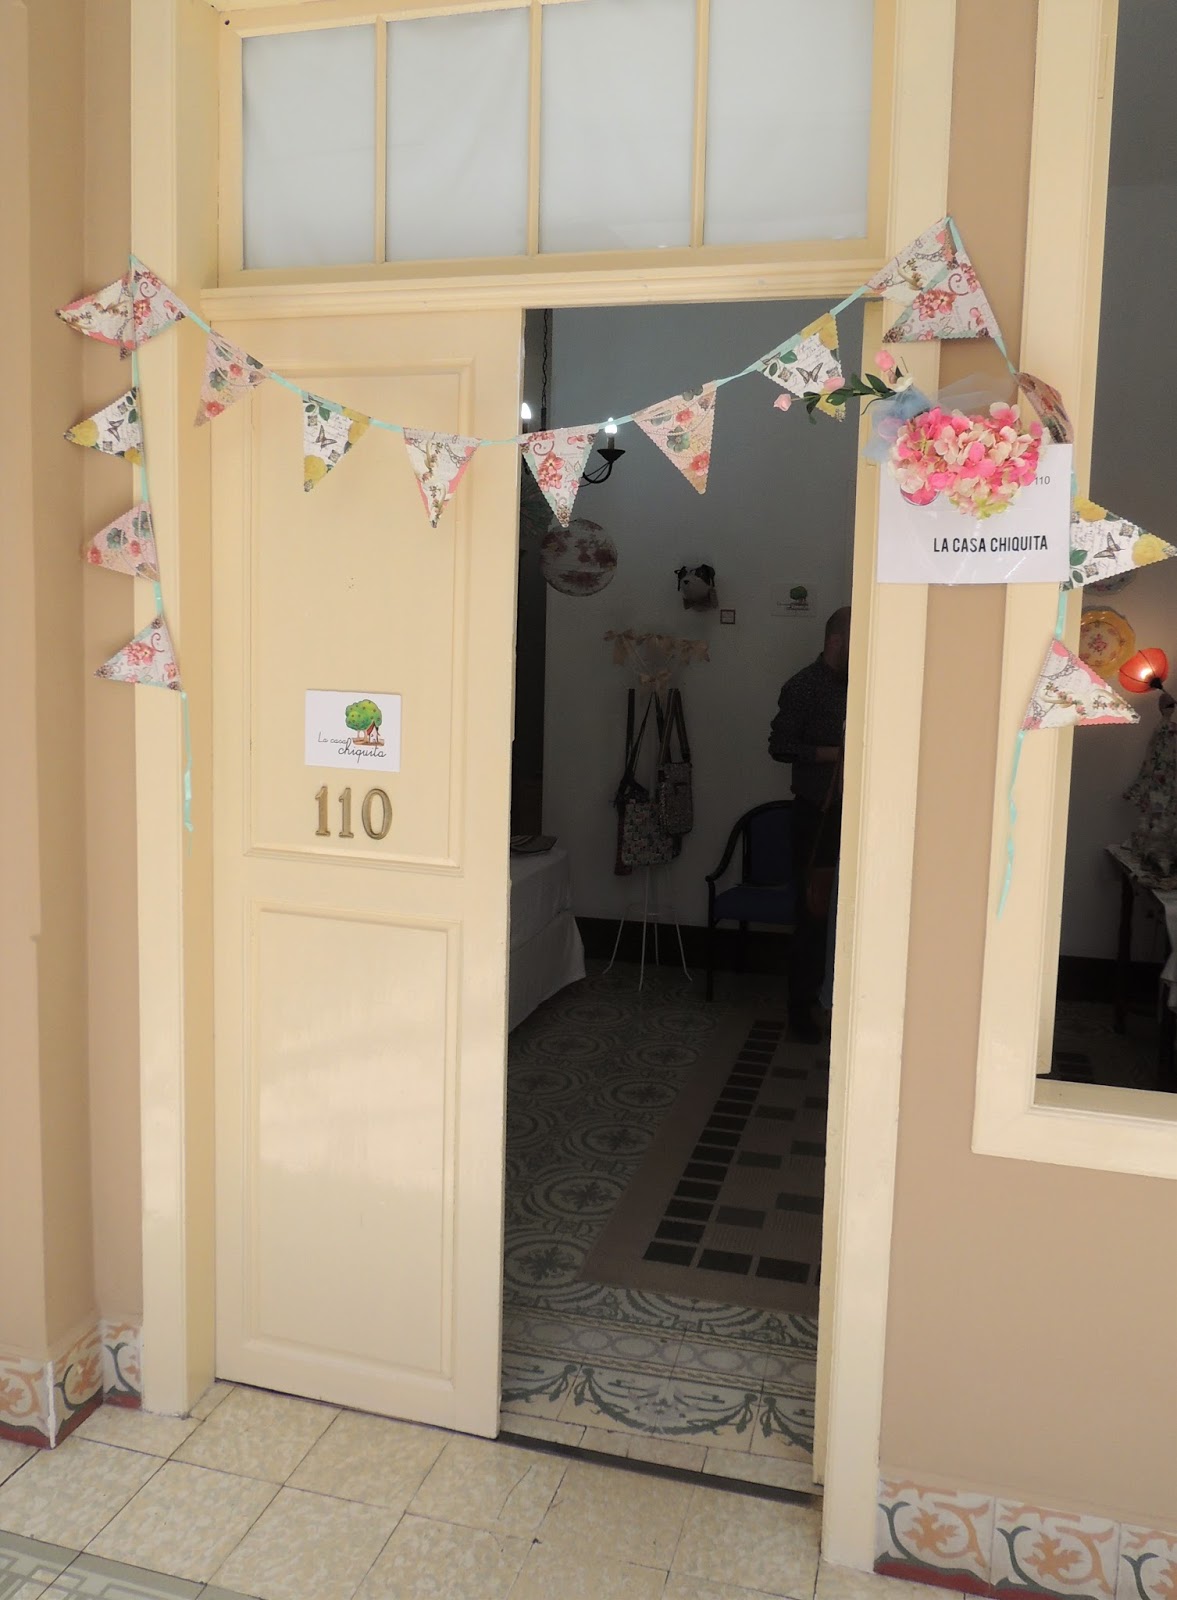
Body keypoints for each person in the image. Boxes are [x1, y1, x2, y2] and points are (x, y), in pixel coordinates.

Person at [768, 606, 850, 1040]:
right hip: (818, 814)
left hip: (859, 817)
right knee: (814, 913)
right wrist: (835, 753)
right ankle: (802, 1010)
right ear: (836, 641)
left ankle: (841, 1001)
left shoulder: (868, 683)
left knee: (850, 914)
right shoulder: (803, 686)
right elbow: (780, 746)